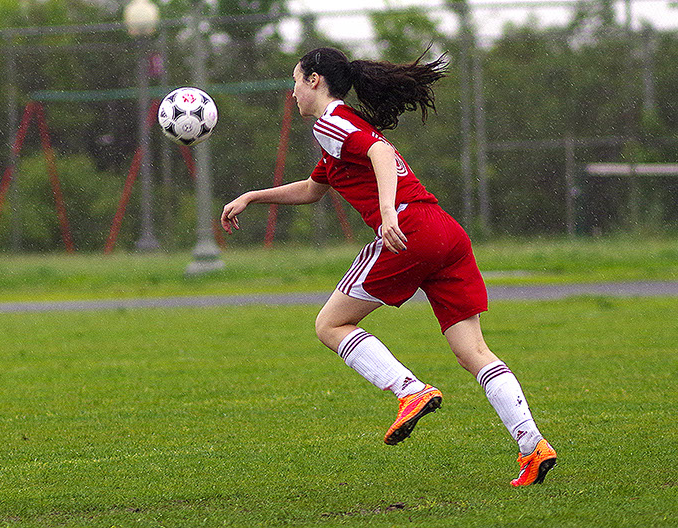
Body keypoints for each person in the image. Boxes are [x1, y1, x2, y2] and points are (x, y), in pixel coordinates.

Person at [220, 47, 557, 487]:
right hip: (445, 232)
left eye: (296, 81)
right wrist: (252, 197)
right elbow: (312, 189)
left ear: (315, 80)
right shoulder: (340, 136)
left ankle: (409, 390)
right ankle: (533, 446)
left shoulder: (331, 121)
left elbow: (379, 152)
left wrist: (387, 213)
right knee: (473, 353)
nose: (293, 92)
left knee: (330, 325)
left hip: (409, 230)